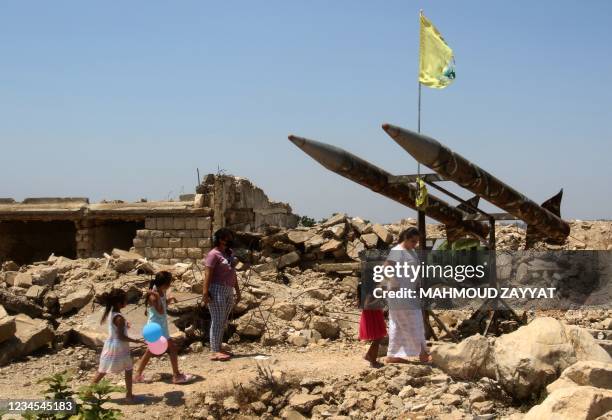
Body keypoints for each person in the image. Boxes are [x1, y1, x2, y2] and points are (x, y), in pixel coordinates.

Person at [134, 271, 193, 383]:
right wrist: (157, 296)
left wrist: (169, 299)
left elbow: (163, 304)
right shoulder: (153, 296)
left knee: (151, 351)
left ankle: (138, 375)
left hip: (160, 326)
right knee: (172, 348)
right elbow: (160, 311)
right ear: (165, 283)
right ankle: (176, 375)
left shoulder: (161, 291)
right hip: (156, 328)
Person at [384, 227, 432, 364]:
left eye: (416, 241)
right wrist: (394, 286)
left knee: (398, 324)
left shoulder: (410, 251)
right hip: (400, 294)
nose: (415, 244)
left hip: (409, 293)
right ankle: (423, 354)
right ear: (405, 238)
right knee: (414, 321)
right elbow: (387, 268)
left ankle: (392, 355)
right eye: (412, 241)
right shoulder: (397, 251)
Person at [91, 289, 142, 402]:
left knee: (102, 370)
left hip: (111, 345)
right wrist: (136, 341)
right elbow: (121, 336)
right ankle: (129, 396)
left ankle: (87, 392)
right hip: (119, 347)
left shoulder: (112, 313)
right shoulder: (119, 318)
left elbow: (116, 328)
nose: (127, 301)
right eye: (125, 300)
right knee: (128, 369)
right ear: (119, 303)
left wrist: (124, 324)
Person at [202, 228, 241, 361]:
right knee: (217, 320)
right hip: (216, 289)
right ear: (220, 239)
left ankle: (218, 347)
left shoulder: (229, 253)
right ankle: (214, 350)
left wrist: (238, 290)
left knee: (223, 320)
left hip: (228, 289)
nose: (229, 240)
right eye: (227, 237)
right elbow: (208, 273)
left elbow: (233, 273)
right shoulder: (213, 254)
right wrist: (205, 292)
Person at [358, 282, 387, 368]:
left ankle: (369, 355)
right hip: (372, 315)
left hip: (374, 314)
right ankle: (373, 361)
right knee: (377, 338)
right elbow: (367, 304)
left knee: (378, 338)